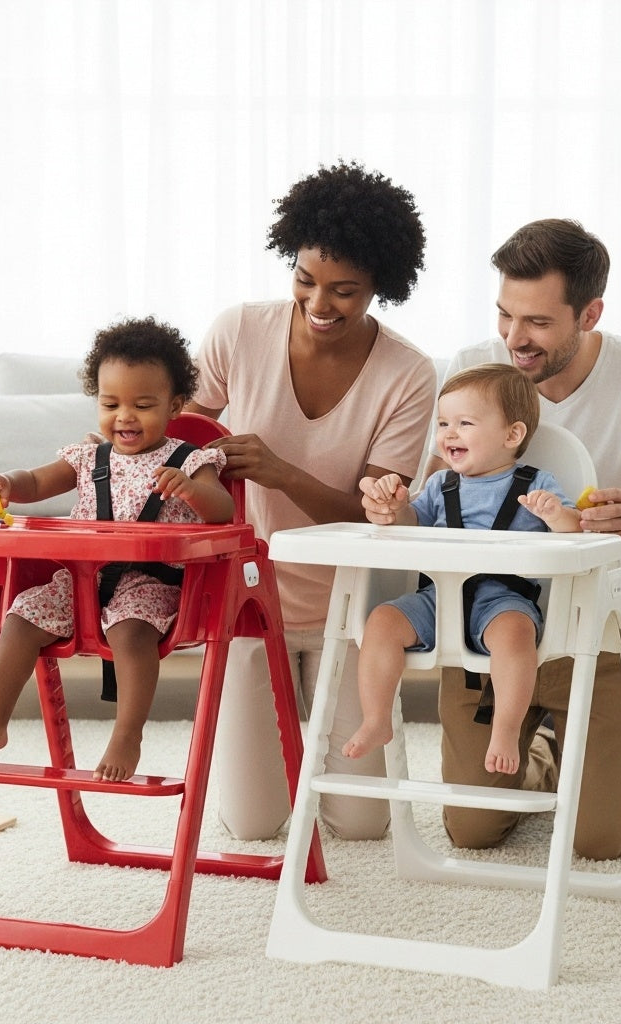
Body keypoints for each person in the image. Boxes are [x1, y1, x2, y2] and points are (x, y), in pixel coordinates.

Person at [423, 218, 621, 859]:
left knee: (599, 842)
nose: (513, 339)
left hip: (600, 636)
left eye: (537, 322)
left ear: (589, 314)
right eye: (505, 315)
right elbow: (434, 499)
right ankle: (541, 749)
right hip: (486, 632)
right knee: (473, 830)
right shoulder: (474, 368)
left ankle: (575, 747)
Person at [186, 160, 438, 841]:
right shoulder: (240, 332)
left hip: (349, 610)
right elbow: (176, 438)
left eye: (344, 291)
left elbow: (372, 517)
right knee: (253, 825)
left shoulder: (408, 374)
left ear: (381, 285)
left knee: (360, 826)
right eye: (305, 280)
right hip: (246, 602)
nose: (319, 303)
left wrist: (280, 472)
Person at [0, 317, 234, 781]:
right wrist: (7, 483)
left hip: (150, 583)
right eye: (110, 403)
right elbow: (36, 481)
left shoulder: (190, 460)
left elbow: (223, 510)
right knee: (18, 618)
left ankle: (127, 733)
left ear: (175, 405)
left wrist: (190, 490)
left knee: (131, 633)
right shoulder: (88, 457)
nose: (125, 416)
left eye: (143, 405)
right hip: (81, 580)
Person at [344, 363, 582, 774]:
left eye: (464, 423)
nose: (449, 434)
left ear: (512, 435)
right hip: (437, 597)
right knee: (381, 620)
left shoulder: (536, 483)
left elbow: (575, 531)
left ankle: (505, 729)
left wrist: (556, 514)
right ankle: (376, 718)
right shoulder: (440, 485)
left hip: (503, 600)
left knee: (516, 635)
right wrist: (394, 508)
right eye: (443, 423)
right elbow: (410, 524)